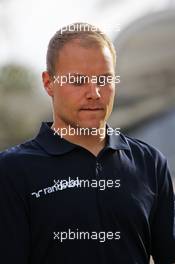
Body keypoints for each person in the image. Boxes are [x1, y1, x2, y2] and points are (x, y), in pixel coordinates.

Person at [0, 22, 174, 264]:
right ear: (49, 83)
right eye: (78, 80)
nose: (94, 92)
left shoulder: (151, 164)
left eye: (104, 79)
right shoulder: (12, 171)